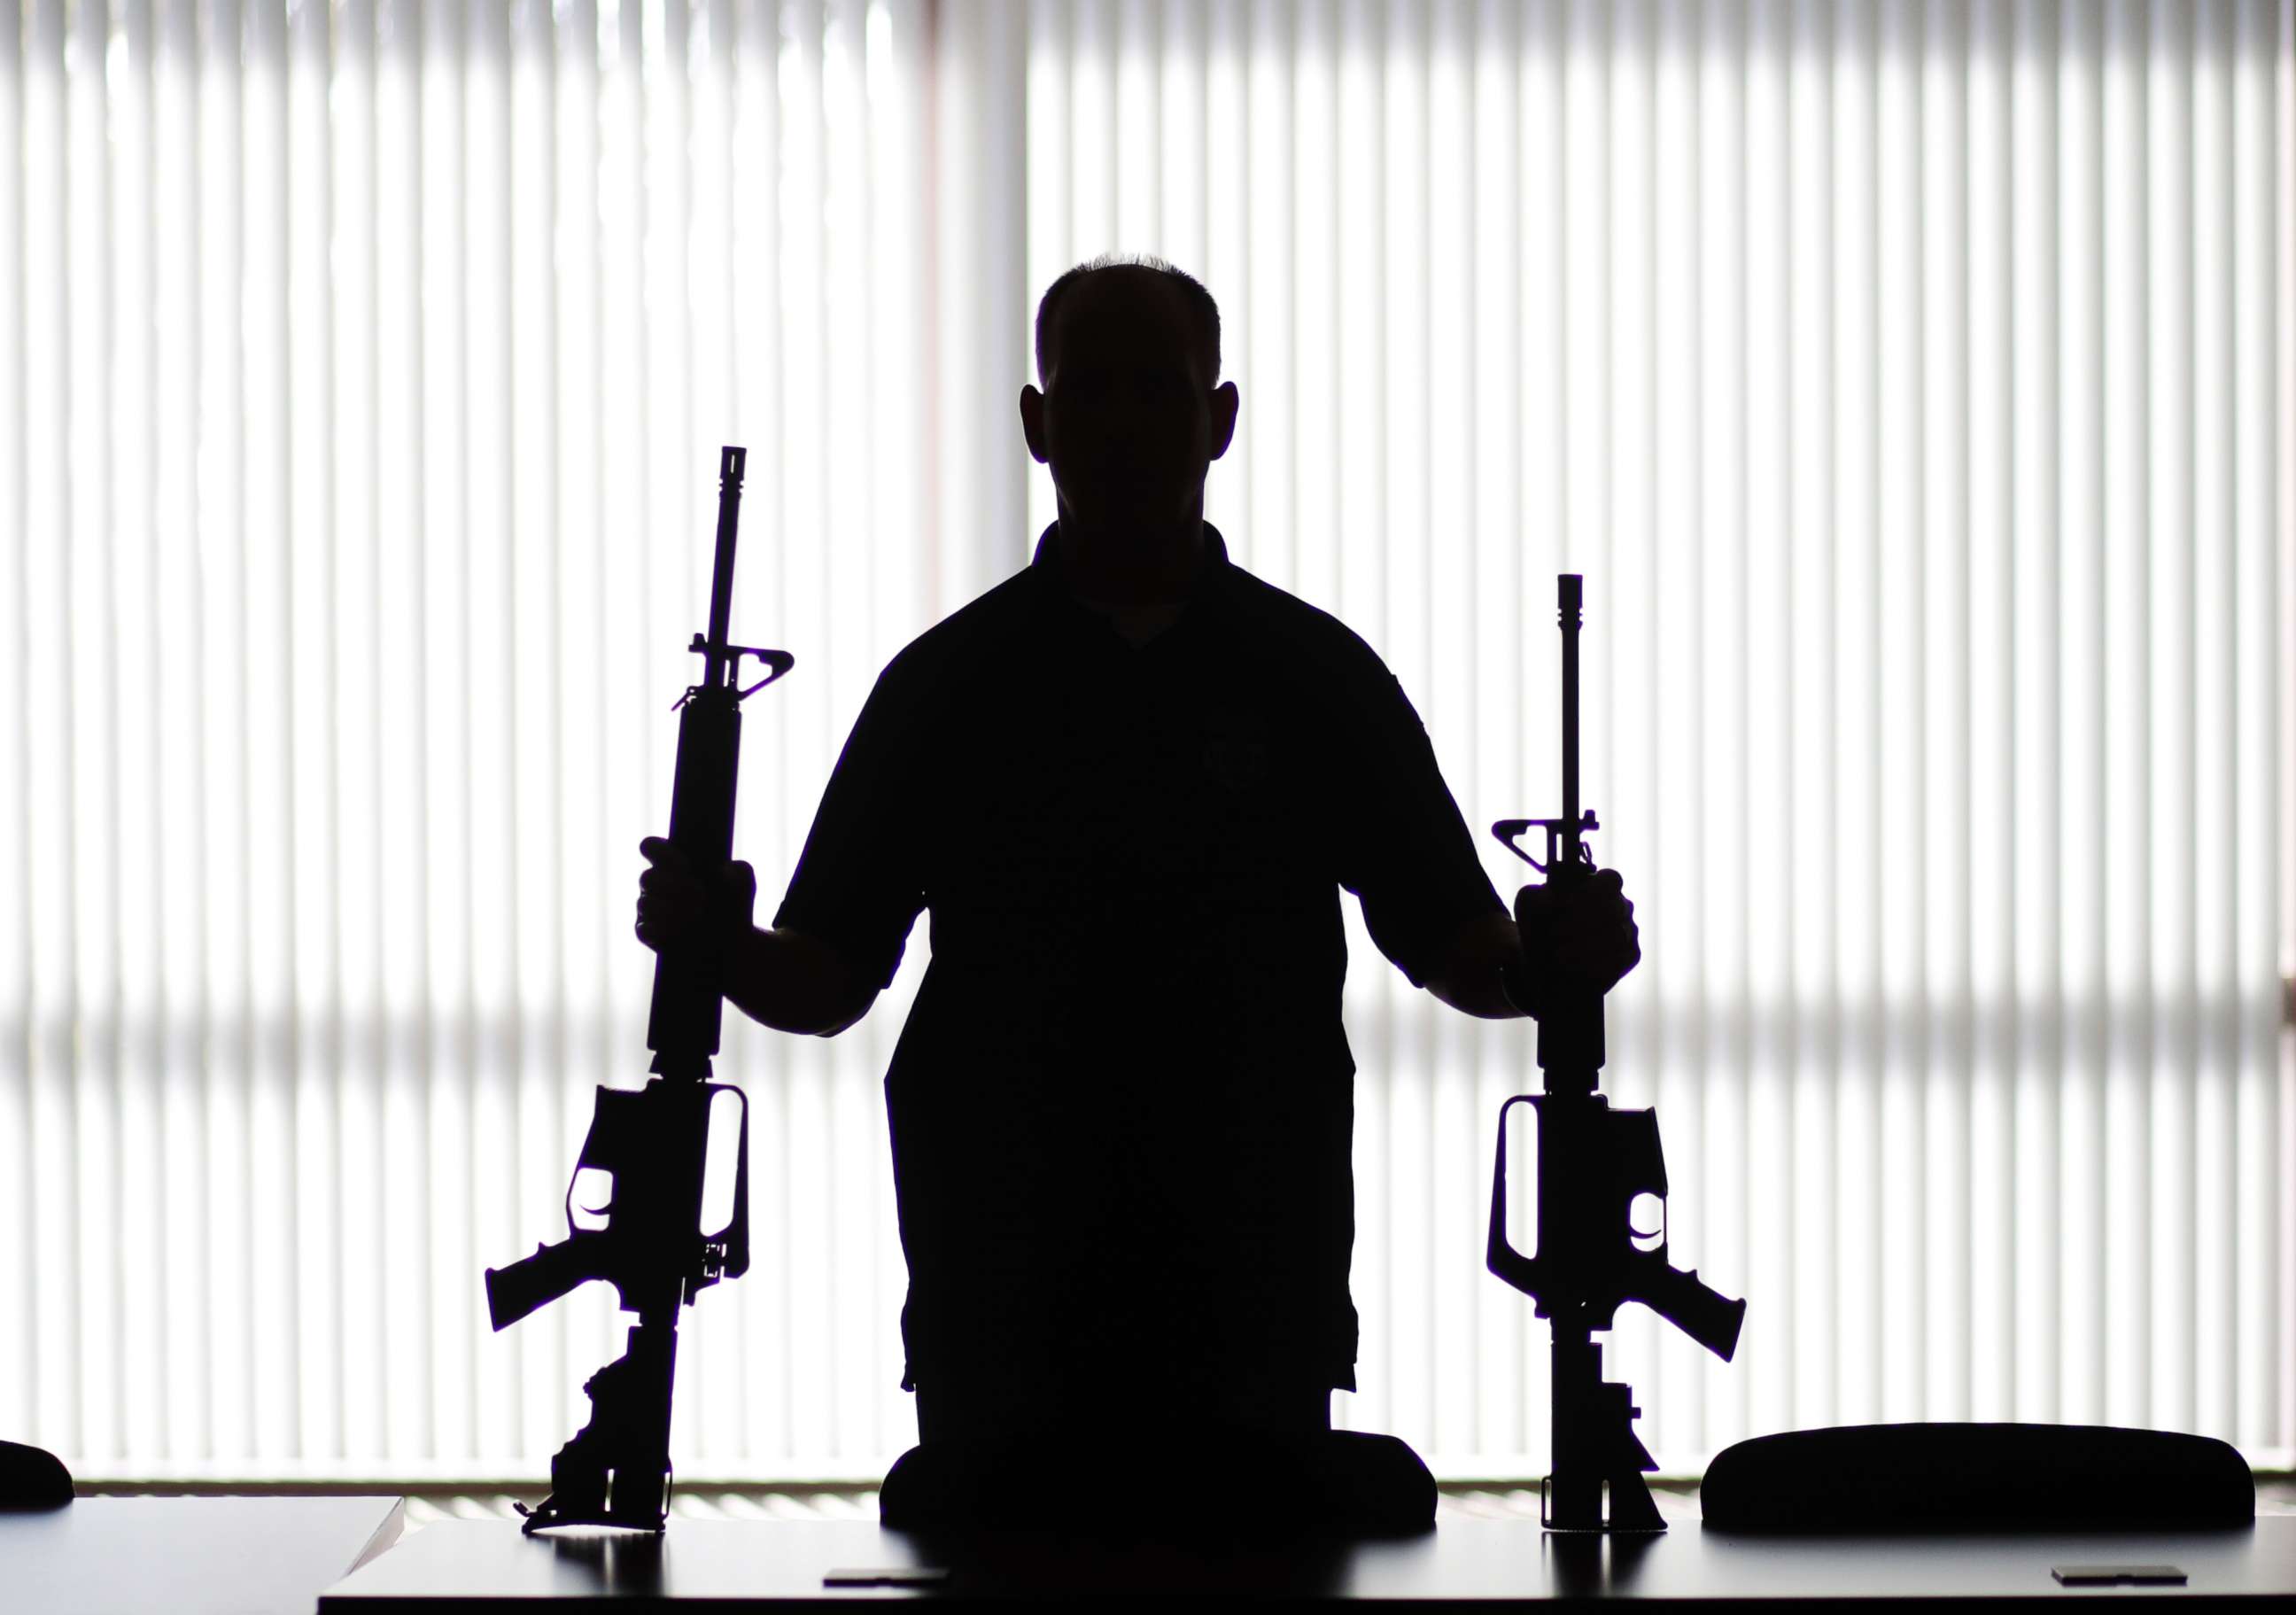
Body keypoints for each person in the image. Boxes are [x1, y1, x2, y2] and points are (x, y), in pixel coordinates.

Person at [633, 253, 1640, 1533]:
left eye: (1155, 392)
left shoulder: (1314, 677)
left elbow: (1457, 946)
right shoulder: (949, 686)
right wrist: (717, 945)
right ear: (1037, 424)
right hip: (1001, 1291)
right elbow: (824, 979)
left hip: (1250, 1291)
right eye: (1089, 391)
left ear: (1218, 419)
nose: (1121, 425)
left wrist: (1553, 962)